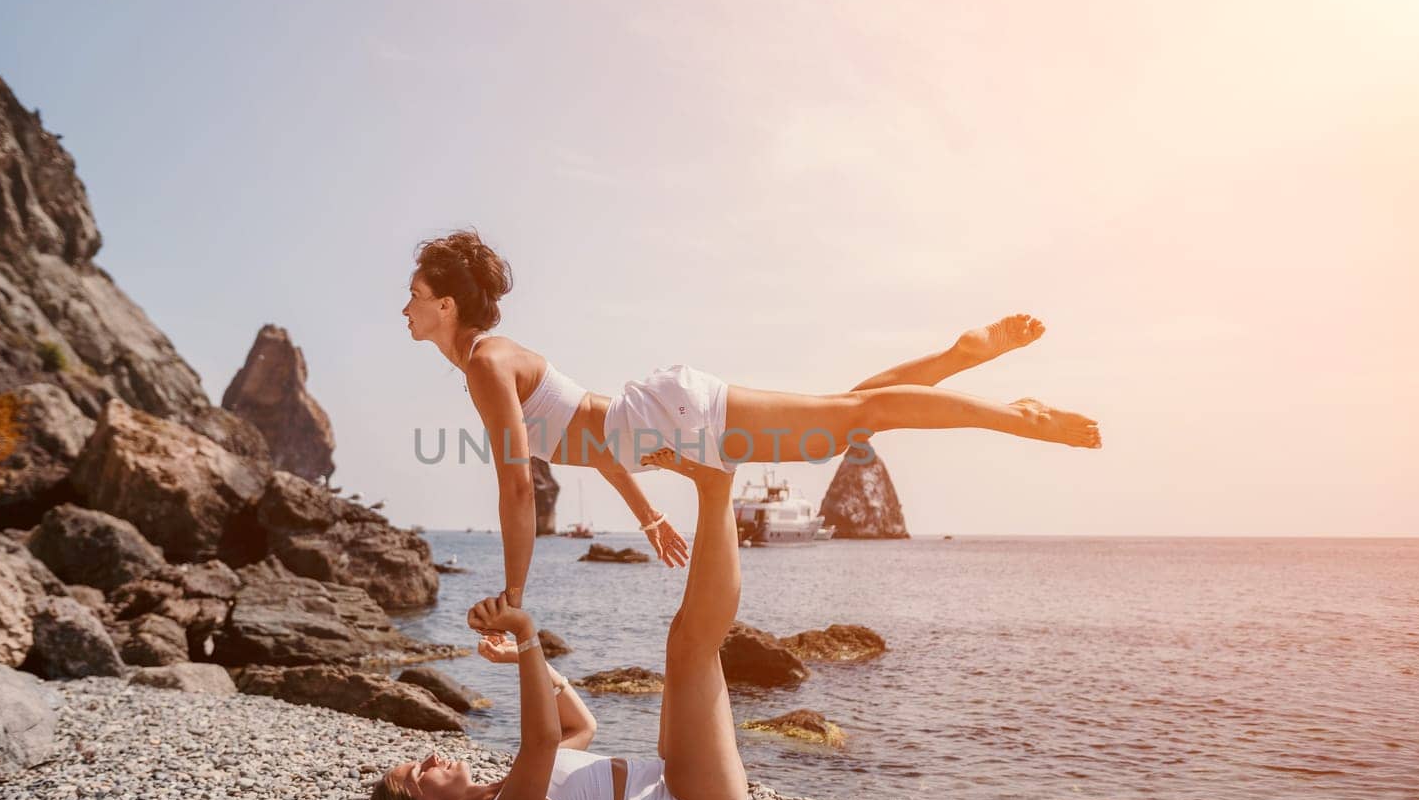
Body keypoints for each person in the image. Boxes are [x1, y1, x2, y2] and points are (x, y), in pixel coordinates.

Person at [404, 228, 1100, 610]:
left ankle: (1018, 415)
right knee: (845, 419)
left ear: (447, 306)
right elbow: (590, 443)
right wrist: (648, 516)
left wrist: (516, 594)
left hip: (667, 420)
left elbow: (518, 486)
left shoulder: (487, 366)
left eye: (415, 294)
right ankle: (955, 356)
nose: (404, 308)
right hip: (654, 423)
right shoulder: (490, 361)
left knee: (851, 417)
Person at [366, 448, 752, 800]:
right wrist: (526, 633)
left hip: (671, 781)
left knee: (681, 638)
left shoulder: (511, 784)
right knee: (693, 648)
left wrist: (523, 658)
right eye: (419, 772)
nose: (430, 757)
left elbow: (579, 728)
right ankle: (717, 485)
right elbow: (542, 740)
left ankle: (715, 487)